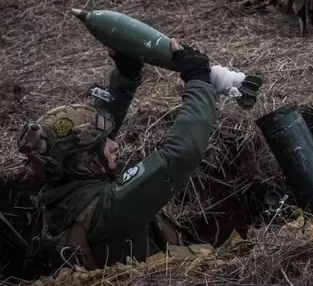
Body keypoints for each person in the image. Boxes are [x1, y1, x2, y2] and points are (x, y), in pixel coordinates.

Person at [16, 39, 218, 270]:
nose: (115, 145)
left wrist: (125, 76)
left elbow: (89, 135)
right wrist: (199, 81)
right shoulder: (112, 207)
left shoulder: (57, 194)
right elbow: (182, 153)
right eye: (103, 144)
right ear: (81, 160)